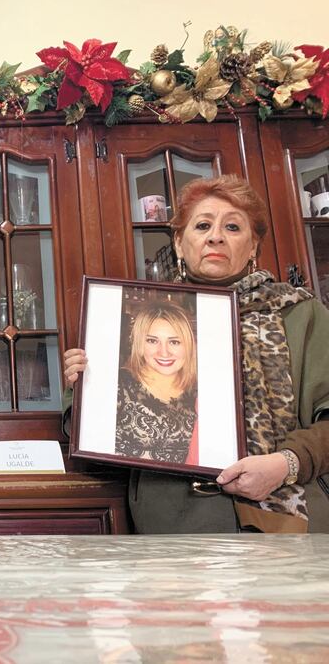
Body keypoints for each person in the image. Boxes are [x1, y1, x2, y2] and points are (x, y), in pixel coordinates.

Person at [64, 174, 329, 533]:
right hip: (175, 524)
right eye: (202, 225)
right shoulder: (139, 319)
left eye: (233, 227)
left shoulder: (300, 313)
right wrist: (84, 389)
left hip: (289, 521)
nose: (215, 236)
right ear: (178, 242)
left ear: (253, 246)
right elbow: (100, 441)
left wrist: (286, 463)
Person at [115, 301, 198, 464]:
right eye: (152, 341)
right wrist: (80, 385)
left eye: (174, 342)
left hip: (187, 487)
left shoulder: (201, 391)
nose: (164, 352)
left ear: (188, 346)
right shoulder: (117, 385)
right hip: (126, 485)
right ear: (139, 344)